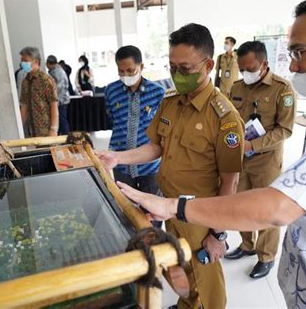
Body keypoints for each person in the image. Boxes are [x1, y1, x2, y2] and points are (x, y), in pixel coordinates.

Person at [117, 0, 306, 307]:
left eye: (298, 52)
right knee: (186, 274)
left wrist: (184, 212)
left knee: (207, 282)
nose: (292, 64)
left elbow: (278, 205)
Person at [98, 24, 245, 308]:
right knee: (179, 267)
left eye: (185, 68)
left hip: (201, 214)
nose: (177, 75)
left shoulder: (224, 118)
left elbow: (231, 182)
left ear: (208, 65)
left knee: (207, 278)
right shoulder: (171, 102)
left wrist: (218, 234)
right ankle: (186, 305)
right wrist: (119, 157)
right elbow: (156, 147)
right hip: (168, 206)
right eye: (172, 67)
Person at [224, 40, 297, 279]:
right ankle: (247, 245)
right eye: (241, 68)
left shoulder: (282, 89)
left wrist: (252, 145)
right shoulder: (236, 87)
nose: (245, 73)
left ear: (264, 64)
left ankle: (266, 256)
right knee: (242, 206)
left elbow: (284, 130)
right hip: (240, 159)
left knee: (266, 210)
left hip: (266, 161)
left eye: (250, 68)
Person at [104, 45, 164, 226]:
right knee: (127, 210)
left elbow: (162, 130)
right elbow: (111, 119)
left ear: (141, 66)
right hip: (120, 164)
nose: (126, 76)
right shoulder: (110, 91)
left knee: (152, 213)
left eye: (131, 70)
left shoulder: (158, 92)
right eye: (121, 71)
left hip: (150, 166)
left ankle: (154, 247)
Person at [19, 46, 59, 137]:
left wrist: (53, 128)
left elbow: (54, 104)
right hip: (32, 130)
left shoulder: (45, 79)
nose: (22, 63)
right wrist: (18, 127)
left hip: (46, 130)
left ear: (36, 61)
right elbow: (24, 105)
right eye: (22, 61)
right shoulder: (25, 81)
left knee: (49, 151)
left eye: (25, 60)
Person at [46, 55, 70, 135]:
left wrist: (52, 100)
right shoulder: (59, 70)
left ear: (49, 63)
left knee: (62, 121)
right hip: (63, 99)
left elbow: (57, 88)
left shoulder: (55, 72)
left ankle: (66, 139)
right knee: (61, 121)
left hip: (60, 100)